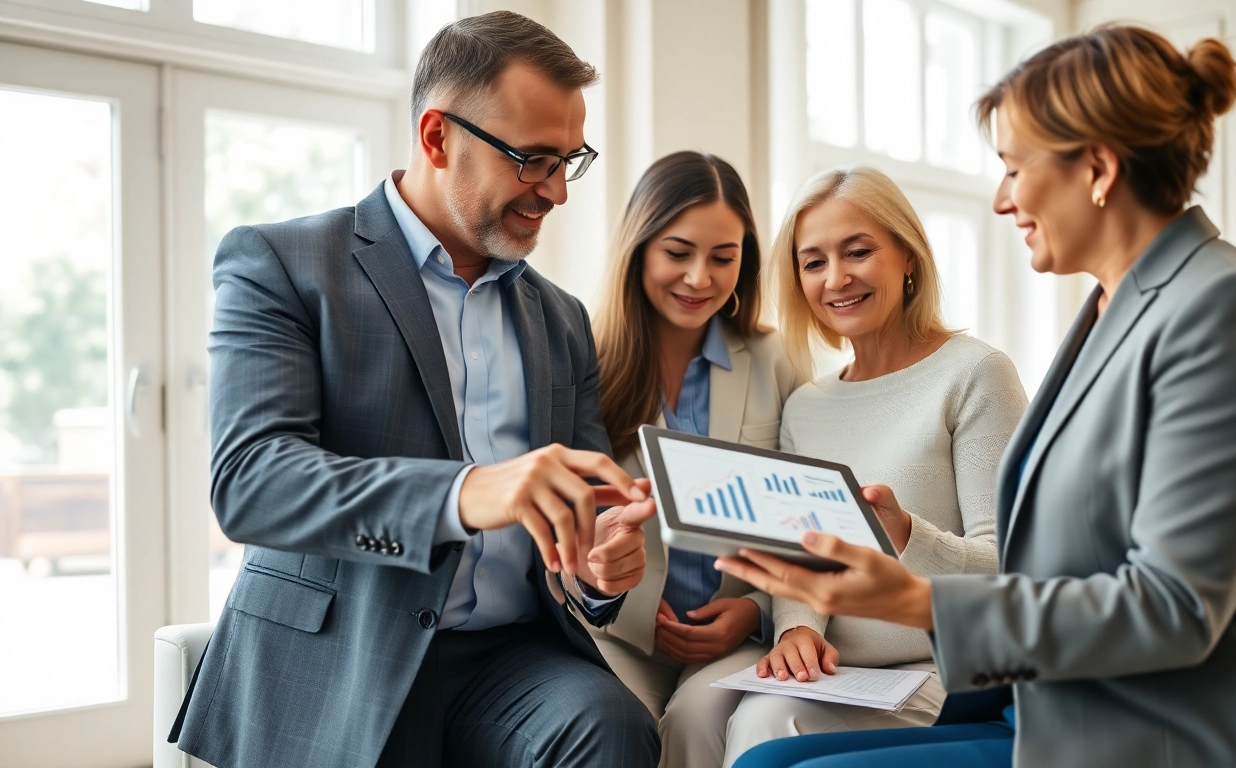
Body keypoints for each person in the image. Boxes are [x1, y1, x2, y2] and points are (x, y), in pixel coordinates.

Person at [722, 24, 1236, 768]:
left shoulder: (1228, 312)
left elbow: (1174, 608)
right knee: (764, 758)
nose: (1001, 200)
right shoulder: (1113, 311)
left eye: (1015, 168)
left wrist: (917, 601)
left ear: (1099, 169)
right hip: (1055, 706)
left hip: (1160, 731)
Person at [168, 12, 662, 768]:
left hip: (508, 662)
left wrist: (599, 566)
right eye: (533, 159)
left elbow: (590, 512)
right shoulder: (282, 264)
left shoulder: (561, 320)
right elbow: (251, 484)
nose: (557, 191)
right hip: (342, 655)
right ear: (437, 138)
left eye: (571, 160)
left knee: (611, 725)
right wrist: (464, 494)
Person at [722, 165, 1026, 766]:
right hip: (841, 671)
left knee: (766, 724)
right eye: (814, 262)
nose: (837, 278)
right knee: (694, 715)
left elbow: (1016, 565)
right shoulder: (807, 405)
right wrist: (797, 630)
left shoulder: (975, 374)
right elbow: (799, 551)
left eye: (858, 251)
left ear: (908, 256)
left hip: (942, 670)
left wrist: (911, 536)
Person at [590, 151, 800, 768]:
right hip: (622, 632)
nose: (700, 278)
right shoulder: (586, 360)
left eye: (723, 257)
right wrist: (618, 600)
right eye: (678, 253)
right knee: (610, 722)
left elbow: (806, 517)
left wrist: (755, 613)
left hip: (734, 631)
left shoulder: (774, 360)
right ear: (640, 249)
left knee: (693, 720)